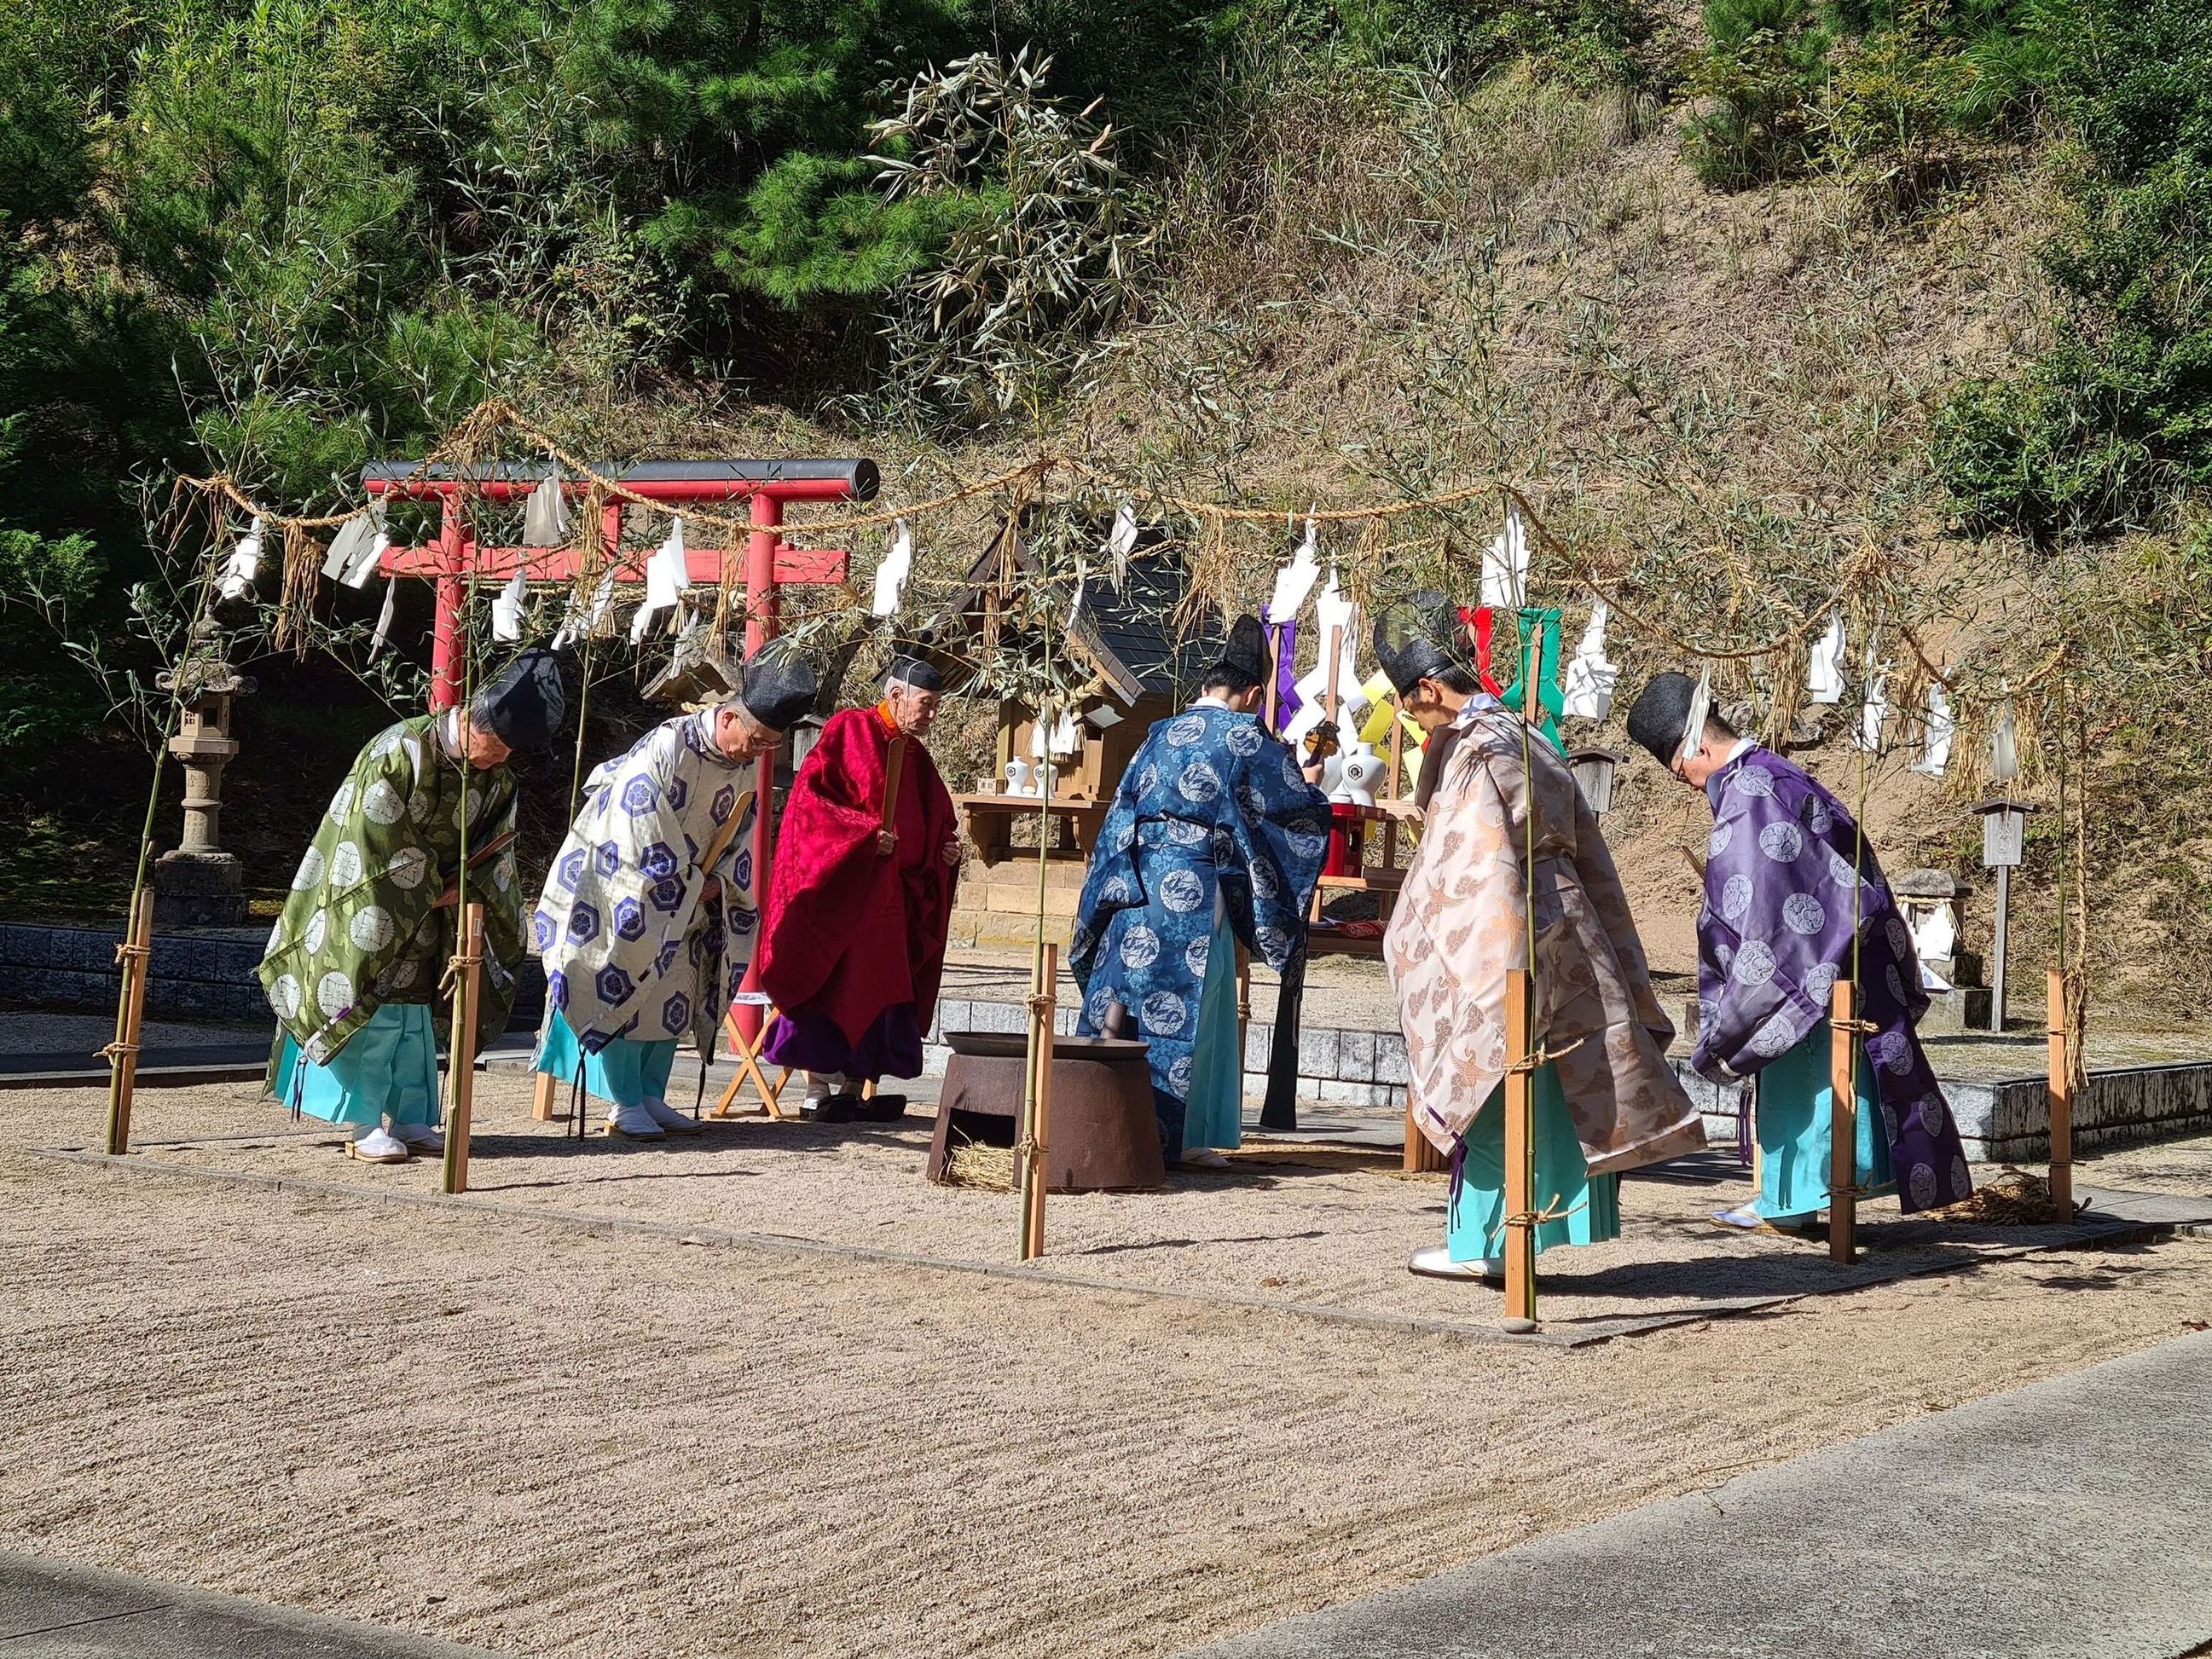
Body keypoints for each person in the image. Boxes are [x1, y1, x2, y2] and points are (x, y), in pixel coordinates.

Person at [1378, 606, 1703, 1279]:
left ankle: (1490, 1245)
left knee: (1500, 1077)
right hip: (1570, 919)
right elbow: (1588, 844)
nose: (1417, 723)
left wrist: (1441, 945)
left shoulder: (1477, 747)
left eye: (1414, 709)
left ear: (1430, 690)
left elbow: (1474, 865)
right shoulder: (1526, 735)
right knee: (1554, 1078)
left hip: (1509, 921)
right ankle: (1521, 1235)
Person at [1625, 672, 1974, 1228]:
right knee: (1841, 1072)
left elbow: (1756, 908)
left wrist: (1735, 970)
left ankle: (1795, 1202)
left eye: (1681, 770)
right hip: (1852, 956)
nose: (1688, 783)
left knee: (1803, 1072)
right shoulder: (1776, 774)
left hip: (1813, 964)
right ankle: (1807, 1198)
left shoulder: (1749, 793)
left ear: (1697, 746)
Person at [260, 650, 565, 1163]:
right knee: (371, 1003)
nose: (502, 757)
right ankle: (360, 1122)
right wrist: (429, 884)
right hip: (374, 905)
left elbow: (500, 843)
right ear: (472, 719)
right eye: (497, 744)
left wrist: (470, 885)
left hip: (438, 910)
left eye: (512, 750)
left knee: (417, 1012)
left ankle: (412, 1116)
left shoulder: (497, 775)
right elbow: (372, 836)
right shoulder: (398, 752)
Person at [1070, 616, 1332, 1168]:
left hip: (1135, 878)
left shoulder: (1159, 732)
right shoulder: (1242, 734)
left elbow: (1123, 810)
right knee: (1195, 1006)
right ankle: (1184, 1136)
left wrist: (1108, 888)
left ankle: (1102, 1122)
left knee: (1125, 995)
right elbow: (1288, 809)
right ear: (1253, 694)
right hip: (1194, 889)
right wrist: (1312, 787)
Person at [531, 647, 818, 1140]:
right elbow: (635, 826)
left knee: (675, 988)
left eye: (769, 746)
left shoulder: (743, 762)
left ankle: (649, 1094)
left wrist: (722, 882)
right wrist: (684, 882)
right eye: (755, 740)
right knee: (630, 978)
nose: (757, 752)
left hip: (693, 893)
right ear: (729, 717)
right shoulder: (666, 747)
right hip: (625, 885)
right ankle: (623, 1103)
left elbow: (739, 833)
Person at [756, 656, 961, 1121]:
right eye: (926, 704)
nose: (931, 715)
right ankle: (817, 1089)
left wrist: (944, 852)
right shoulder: (850, 731)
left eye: (935, 707)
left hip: (894, 899)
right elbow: (812, 807)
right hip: (845, 893)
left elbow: (936, 822)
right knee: (834, 981)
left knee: (883, 989)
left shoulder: (915, 754)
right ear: (896, 696)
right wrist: (864, 835)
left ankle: (855, 1085)